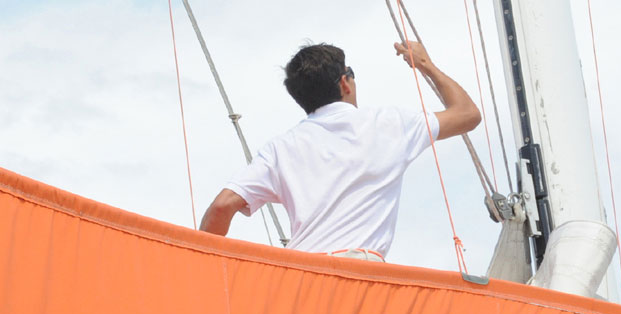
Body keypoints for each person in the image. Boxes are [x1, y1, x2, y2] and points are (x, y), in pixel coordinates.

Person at [200, 41, 480, 260]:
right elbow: (467, 114)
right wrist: (424, 64)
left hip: (298, 276)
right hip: (357, 276)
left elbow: (222, 206)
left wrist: (206, 268)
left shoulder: (280, 149)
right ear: (344, 83)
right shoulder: (388, 125)